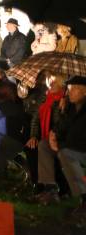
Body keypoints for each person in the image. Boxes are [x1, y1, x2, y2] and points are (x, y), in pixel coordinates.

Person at [36, 76, 86, 219]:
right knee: (44, 145)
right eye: (68, 89)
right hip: (66, 146)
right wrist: (53, 134)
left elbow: (79, 139)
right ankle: (50, 189)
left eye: (73, 90)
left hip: (80, 150)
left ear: (84, 92)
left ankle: (84, 199)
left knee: (66, 154)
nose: (69, 93)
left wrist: (59, 144)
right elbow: (61, 126)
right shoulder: (69, 106)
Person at [23, 73, 68, 194]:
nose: (50, 82)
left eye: (54, 79)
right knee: (31, 147)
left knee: (46, 149)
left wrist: (64, 108)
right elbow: (35, 119)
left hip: (59, 137)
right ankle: (38, 183)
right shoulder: (45, 96)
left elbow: (63, 124)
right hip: (44, 135)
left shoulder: (66, 98)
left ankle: (57, 187)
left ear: (62, 82)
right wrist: (33, 136)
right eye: (48, 79)